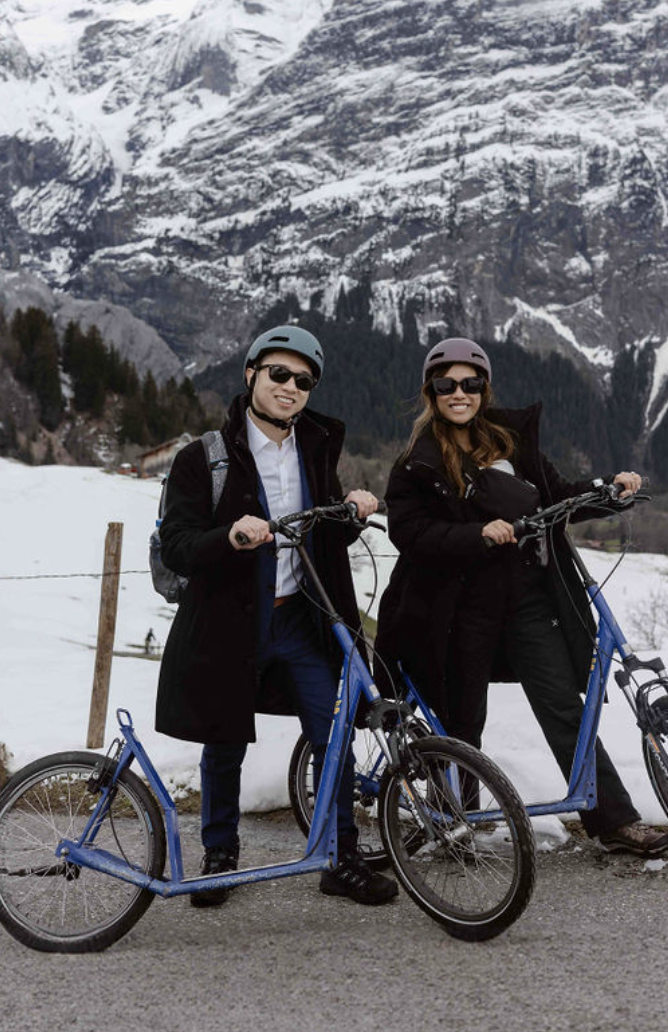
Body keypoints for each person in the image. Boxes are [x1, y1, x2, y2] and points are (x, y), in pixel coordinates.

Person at [376, 336, 668, 857]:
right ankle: (453, 820)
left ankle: (615, 822)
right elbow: (409, 532)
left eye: (470, 383)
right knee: (461, 717)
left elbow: (556, 497)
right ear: (431, 391)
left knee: (563, 707)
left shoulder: (511, 440)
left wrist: (608, 491)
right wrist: (476, 534)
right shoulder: (416, 462)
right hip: (459, 608)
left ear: (484, 388)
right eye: (447, 384)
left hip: (529, 602)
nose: (459, 392)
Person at [154, 324, 397, 907]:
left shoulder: (313, 449)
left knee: (332, 734)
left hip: (302, 619)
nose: (290, 387)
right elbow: (178, 544)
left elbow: (321, 532)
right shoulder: (203, 458)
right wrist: (230, 536)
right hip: (230, 620)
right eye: (279, 374)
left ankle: (340, 859)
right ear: (251, 376)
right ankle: (220, 855)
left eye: (303, 380)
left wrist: (353, 511)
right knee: (224, 739)